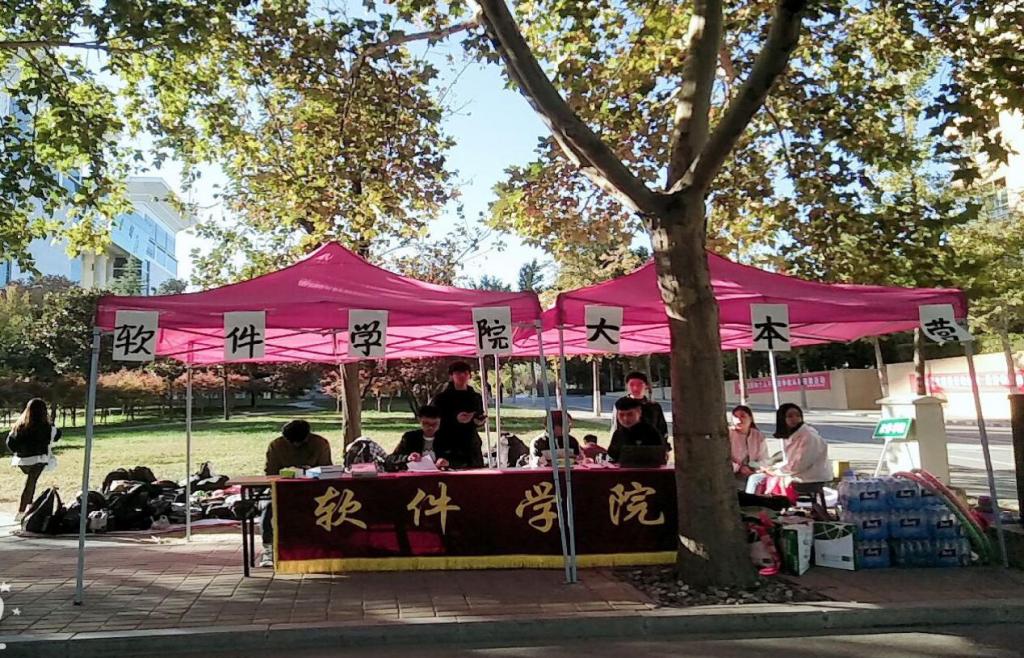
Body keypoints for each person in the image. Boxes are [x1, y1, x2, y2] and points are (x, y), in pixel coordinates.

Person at [260, 419, 333, 567]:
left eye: (300, 442)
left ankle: (324, 547)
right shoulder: (276, 445)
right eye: (291, 442)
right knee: (268, 507)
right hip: (281, 489)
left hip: (313, 490)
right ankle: (269, 549)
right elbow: (270, 473)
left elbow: (326, 470)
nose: (295, 445)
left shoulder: (320, 444)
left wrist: (309, 472)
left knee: (330, 506)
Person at [6, 398, 61, 519]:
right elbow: (57, 435)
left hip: (22, 460)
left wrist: (18, 452)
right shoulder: (47, 428)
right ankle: (22, 511)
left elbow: (10, 443)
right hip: (39, 459)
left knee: (31, 483)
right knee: (31, 484)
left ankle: (28, 507)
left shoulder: (19, 427)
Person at [429, 361, 486, 469]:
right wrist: (455, 419)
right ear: (451, 376)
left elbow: (478, 415)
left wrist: (478, 421)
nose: (462, 376)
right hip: (448, 442)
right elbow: (432, 419)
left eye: (465, 373)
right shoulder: (442, 398)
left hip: (470, 443)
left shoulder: (475, 397)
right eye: (458, 373)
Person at [610, 372, 669, 450]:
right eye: (632, 385)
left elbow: (662, 430)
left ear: (646, 386)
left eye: (639, 384)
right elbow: (615, 428)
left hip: (651, 448)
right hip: (627, 449)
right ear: (627, 386)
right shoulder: (620, 404)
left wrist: (664, 448)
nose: (635, 388)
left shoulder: (654, 407)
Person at [387, 405, 450, 471]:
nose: (430, 427)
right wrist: (408, 458)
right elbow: (390, 459)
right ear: (419, 420)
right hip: (415, 475)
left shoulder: (446, 438)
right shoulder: (410, 437)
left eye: (435, 424)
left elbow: (456, 458)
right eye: (426, 423)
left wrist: (448, 462)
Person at [607, 397, 666, 464]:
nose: (625, 418)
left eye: (630, 414)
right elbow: (611, 457)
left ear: (639, 412)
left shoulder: (651, 433)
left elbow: (659, 459)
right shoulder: (618, 434)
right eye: (621, 415)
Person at [729, 405, 769, 494]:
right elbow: (723, 457)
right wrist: (739, 467)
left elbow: (763, 458)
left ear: (750, 418)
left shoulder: (758, 436)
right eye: (735, 417)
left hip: (752, 472)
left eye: (742, 416)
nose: (739, 420)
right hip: (732, 473)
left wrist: (757, 469)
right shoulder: (729, 434)